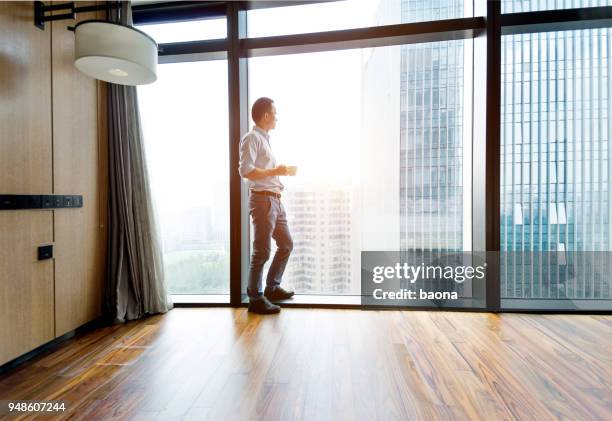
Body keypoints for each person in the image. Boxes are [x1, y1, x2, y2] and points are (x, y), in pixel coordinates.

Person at [238, 97, 295, 314]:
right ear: (266, 116)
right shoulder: (251, 138)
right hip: (262, 200)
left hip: (275, 200)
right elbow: (246, 170)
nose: (277, 117)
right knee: (261, 252)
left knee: (286, 244)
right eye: (275, 113)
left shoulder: (264, 140)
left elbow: (263, 170)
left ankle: (272, 287)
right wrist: (275, 172)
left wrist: (280, 172)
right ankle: (255, 299)